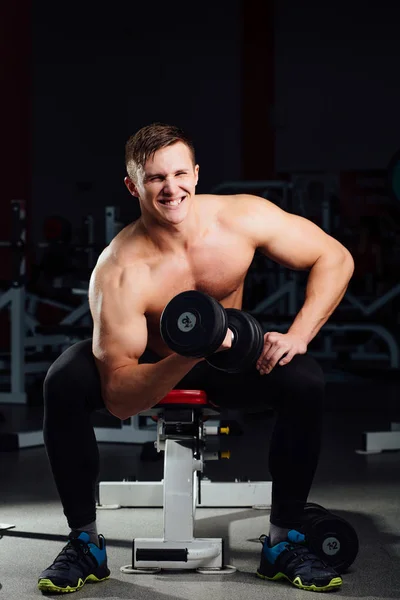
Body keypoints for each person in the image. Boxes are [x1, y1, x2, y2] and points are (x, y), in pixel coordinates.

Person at [38, 123, 354, 594]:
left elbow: (335, 257)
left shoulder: (241, 218)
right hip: (149, 361)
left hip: (229, 353)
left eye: (180, 174)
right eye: (155, 179)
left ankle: (283, 542)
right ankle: (84, 541)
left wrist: (299, 335)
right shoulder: (121, 268)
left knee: (304, 380)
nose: (171, 188)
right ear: (132, 186)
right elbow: (121, 398)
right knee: (63, 380)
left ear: (197, 174)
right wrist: (189, 351)